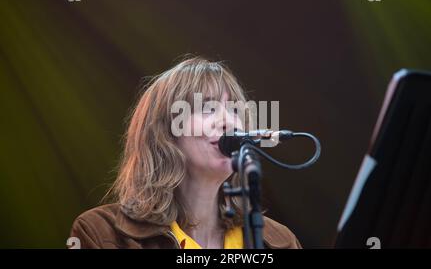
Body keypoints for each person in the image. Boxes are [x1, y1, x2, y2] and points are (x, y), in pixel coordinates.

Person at [69, 56, 302, 249]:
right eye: (208, 108)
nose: (228, 121)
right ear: (165, 133)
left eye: (234, 109)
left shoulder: (280, 241)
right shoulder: (100, 233)